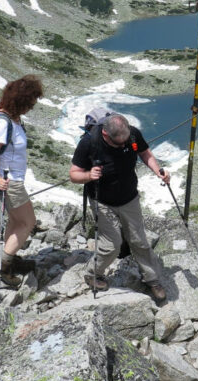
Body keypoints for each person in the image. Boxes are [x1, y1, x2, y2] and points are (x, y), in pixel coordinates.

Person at [69, 113, 169, 302]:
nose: (123, 145)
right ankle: (92, 273)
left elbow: (145, 153)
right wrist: (89, 175)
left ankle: (152, 279)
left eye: (126, 142)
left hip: (129, 198)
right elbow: (74, 174)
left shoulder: (132, 134)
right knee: (111, 245)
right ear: (106, 134)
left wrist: (158, 171)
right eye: (118, 143)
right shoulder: (89, 143)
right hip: (102, 201)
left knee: (139, 240)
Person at [0, 74, 43, 287]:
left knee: (16, 221)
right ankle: (2, 268)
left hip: (12, 180)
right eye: (30, 102)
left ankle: (8, 260)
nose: (32, 106)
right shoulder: (3, 123)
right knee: (28, 222)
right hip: (10, 183)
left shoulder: (14, 120)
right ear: (20, 102)